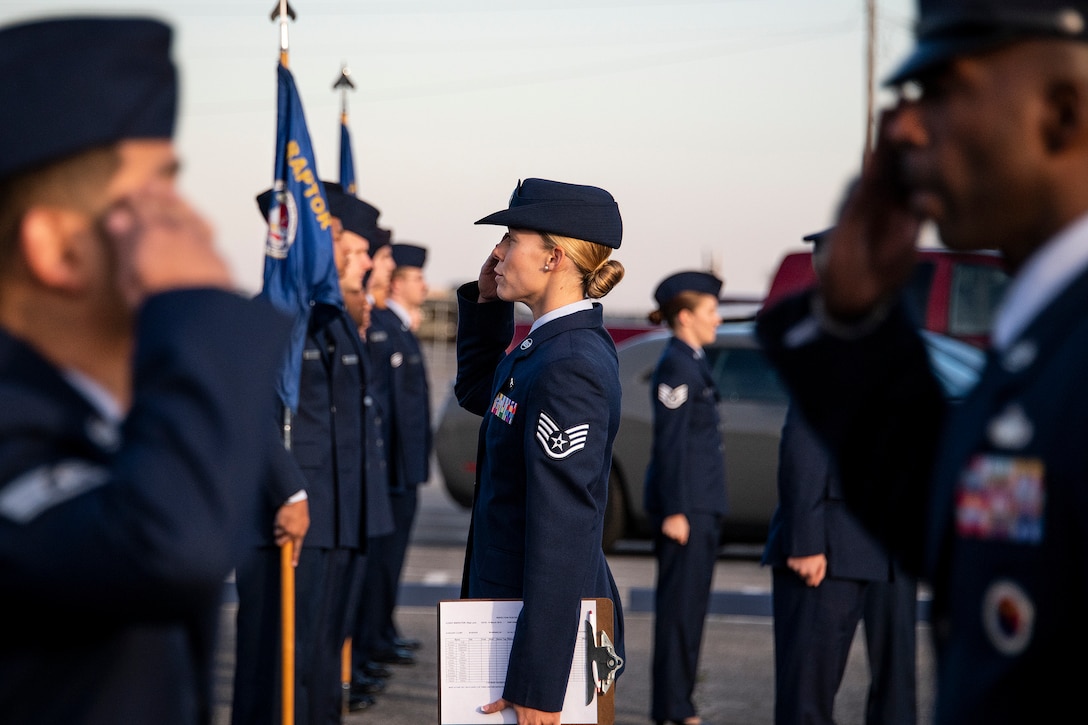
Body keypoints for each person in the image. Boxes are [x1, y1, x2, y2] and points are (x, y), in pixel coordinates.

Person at [754, 1, 1088, 721]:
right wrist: (849, 325)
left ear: (1062, 113)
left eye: (944, 90)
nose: (902, 126)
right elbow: (953, 524)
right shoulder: (1041, 327)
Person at [0, 15, 293, 725]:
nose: (189, 221)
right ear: (59, 248)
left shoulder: (88, 412)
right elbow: (170, 546)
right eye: (155, 196)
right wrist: (193, 309)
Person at [454, 177, 627, 725]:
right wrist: (485, 304)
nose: (497, 252)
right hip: (511, 610)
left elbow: (565, 530)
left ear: (553, 256)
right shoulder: (544, 346)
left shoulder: (570, 362)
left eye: (510, 238)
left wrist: (538, 682)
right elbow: (483, 393)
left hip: (540, 638)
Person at [233, 182, 374, 725]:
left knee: (315, 663)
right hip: (283, 516)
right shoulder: (268, 315)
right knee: (273, 665)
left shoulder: (328, 316)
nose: (353, 252)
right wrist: (289, 489)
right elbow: (253, 416)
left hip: (330, 515)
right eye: (341, 238)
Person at [763, 403, 917, 725]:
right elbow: (803, 438)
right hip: (827, 549)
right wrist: (805, 541)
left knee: (890, 683)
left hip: (874, 546)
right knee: (806, 698)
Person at [643, 271, 727, 725]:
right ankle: (673, 708)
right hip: (687, 509)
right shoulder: (677, 364)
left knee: (691, 611)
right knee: (679, 613)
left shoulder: (692, 359)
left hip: (701, 505)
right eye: (711, 311)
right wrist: (675, 508)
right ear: (686, 316)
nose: (717, 319)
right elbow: (670, 443)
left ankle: (679, 703)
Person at [354, 243, 432, 673]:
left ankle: (380, 633)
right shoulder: (381, 325)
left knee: (389, 561)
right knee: (377, 562)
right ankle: (367, 643)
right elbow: (381, 404)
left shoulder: (398, 327)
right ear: (399, 282)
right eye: (417, 277)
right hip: (389, 468)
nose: (424, 284)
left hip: (405, 466)